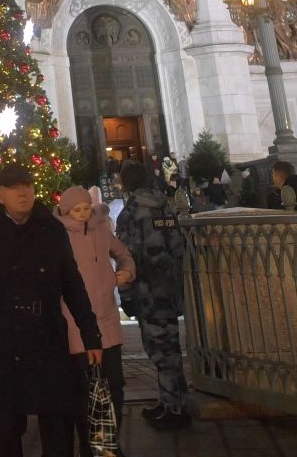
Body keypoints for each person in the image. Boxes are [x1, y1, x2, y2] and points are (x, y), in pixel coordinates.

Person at [0, 165, 102, 457]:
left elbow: (71, 283)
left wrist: (91, 333)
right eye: (13, 187)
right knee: (4, 428)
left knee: (58, 426)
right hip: (4, 337)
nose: (22, 192)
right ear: (0, 194)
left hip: (46, 334)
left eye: (26, 185)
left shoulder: (51, 229)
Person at [113, 160, 191, 432]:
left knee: (160, 353)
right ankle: (172, 401)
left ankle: (175, 410)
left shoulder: (132, 213)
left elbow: (127, 258)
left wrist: (127, 297)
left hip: (148, 293)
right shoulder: (164, 206)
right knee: (171, 350)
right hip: (168, 291)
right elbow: (178, 247)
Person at [58, 187, 135, 457]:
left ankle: (109, 444)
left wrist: (126, 271)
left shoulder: (101, 228)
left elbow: (122, 252)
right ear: (66, 211)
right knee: (86, 390)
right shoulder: (58, 235)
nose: (81, 215)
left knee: (114, 386)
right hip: (75, 325)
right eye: (76, 210)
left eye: (85, 209)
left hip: (107, 321)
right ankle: (90, 447)